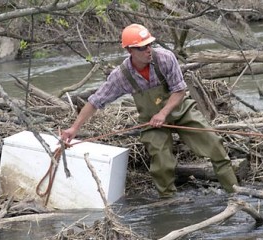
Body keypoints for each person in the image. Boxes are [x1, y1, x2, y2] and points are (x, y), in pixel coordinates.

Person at [61, 23, 238, 197]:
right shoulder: (121, 76)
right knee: (162, 164)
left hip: (180, 110)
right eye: (142, 48)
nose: (148, 50)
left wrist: (163, 113)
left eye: (149, 45)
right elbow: (95, 102)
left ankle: (235, 193)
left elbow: (180, 91)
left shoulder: (165, 58)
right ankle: (169, 203)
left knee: (214, 145)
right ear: (130, 50)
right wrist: (74, 129)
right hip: (152, 122)